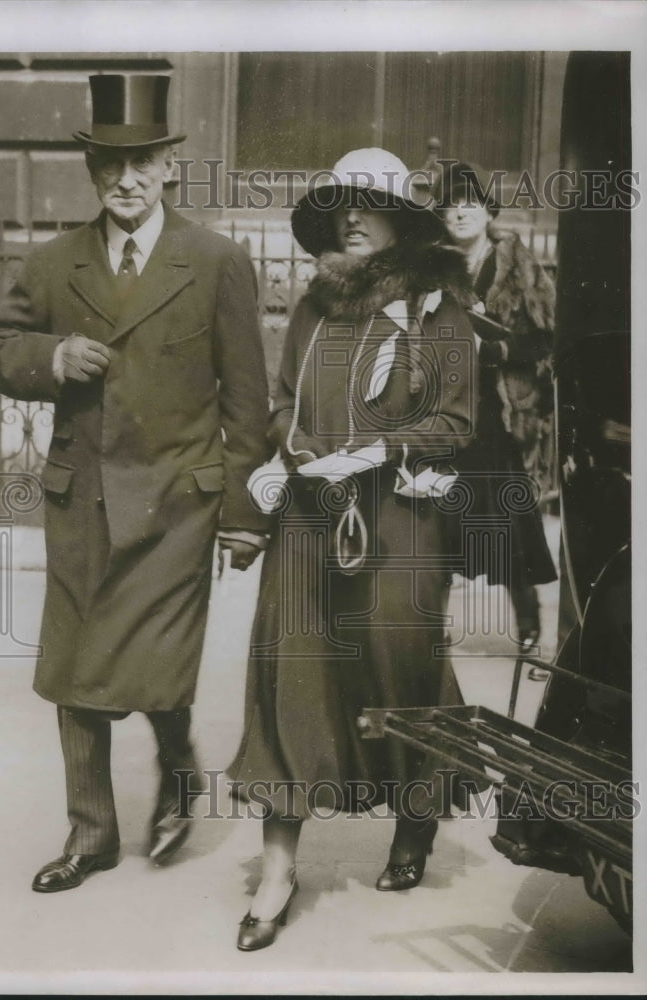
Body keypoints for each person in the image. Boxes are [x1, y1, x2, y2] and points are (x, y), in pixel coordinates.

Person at [0, 74, 271, 892]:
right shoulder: (54, 262)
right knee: (76, 668)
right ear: (93, 173)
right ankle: (92, 835)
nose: (127, 181)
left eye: (142, 163)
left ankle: (178, 766)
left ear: (170, 166)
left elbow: (250, 404)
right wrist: (51, 358)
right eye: (111, 166)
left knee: (152, 667)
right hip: (85, 497)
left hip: (180, 502)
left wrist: (245, 514)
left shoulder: (217, 261)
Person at [227, 149, 477, 951]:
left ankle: (416, 816)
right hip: (309, 517)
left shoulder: (439, 309)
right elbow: (280, 404)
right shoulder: (314, 305)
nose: (351, 219)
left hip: (400, 520)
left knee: (398, 669)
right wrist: (287, 455)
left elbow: (457, 421)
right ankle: (277, 871)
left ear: (401, 220)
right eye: (340, 207)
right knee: (288, 675)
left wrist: (378, 451)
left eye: (368, 206)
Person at [434, 162, 557, 679]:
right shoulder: (430, 267)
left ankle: (528, 625)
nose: (460, 210)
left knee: (507, 517)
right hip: (442, 412)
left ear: (488, 212)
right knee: (436, 514)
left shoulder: (517, 265)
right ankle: (431, 625)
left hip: (500, 413)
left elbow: (548, 336)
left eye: (470, 202)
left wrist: (497, 348)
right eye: (450, 203)